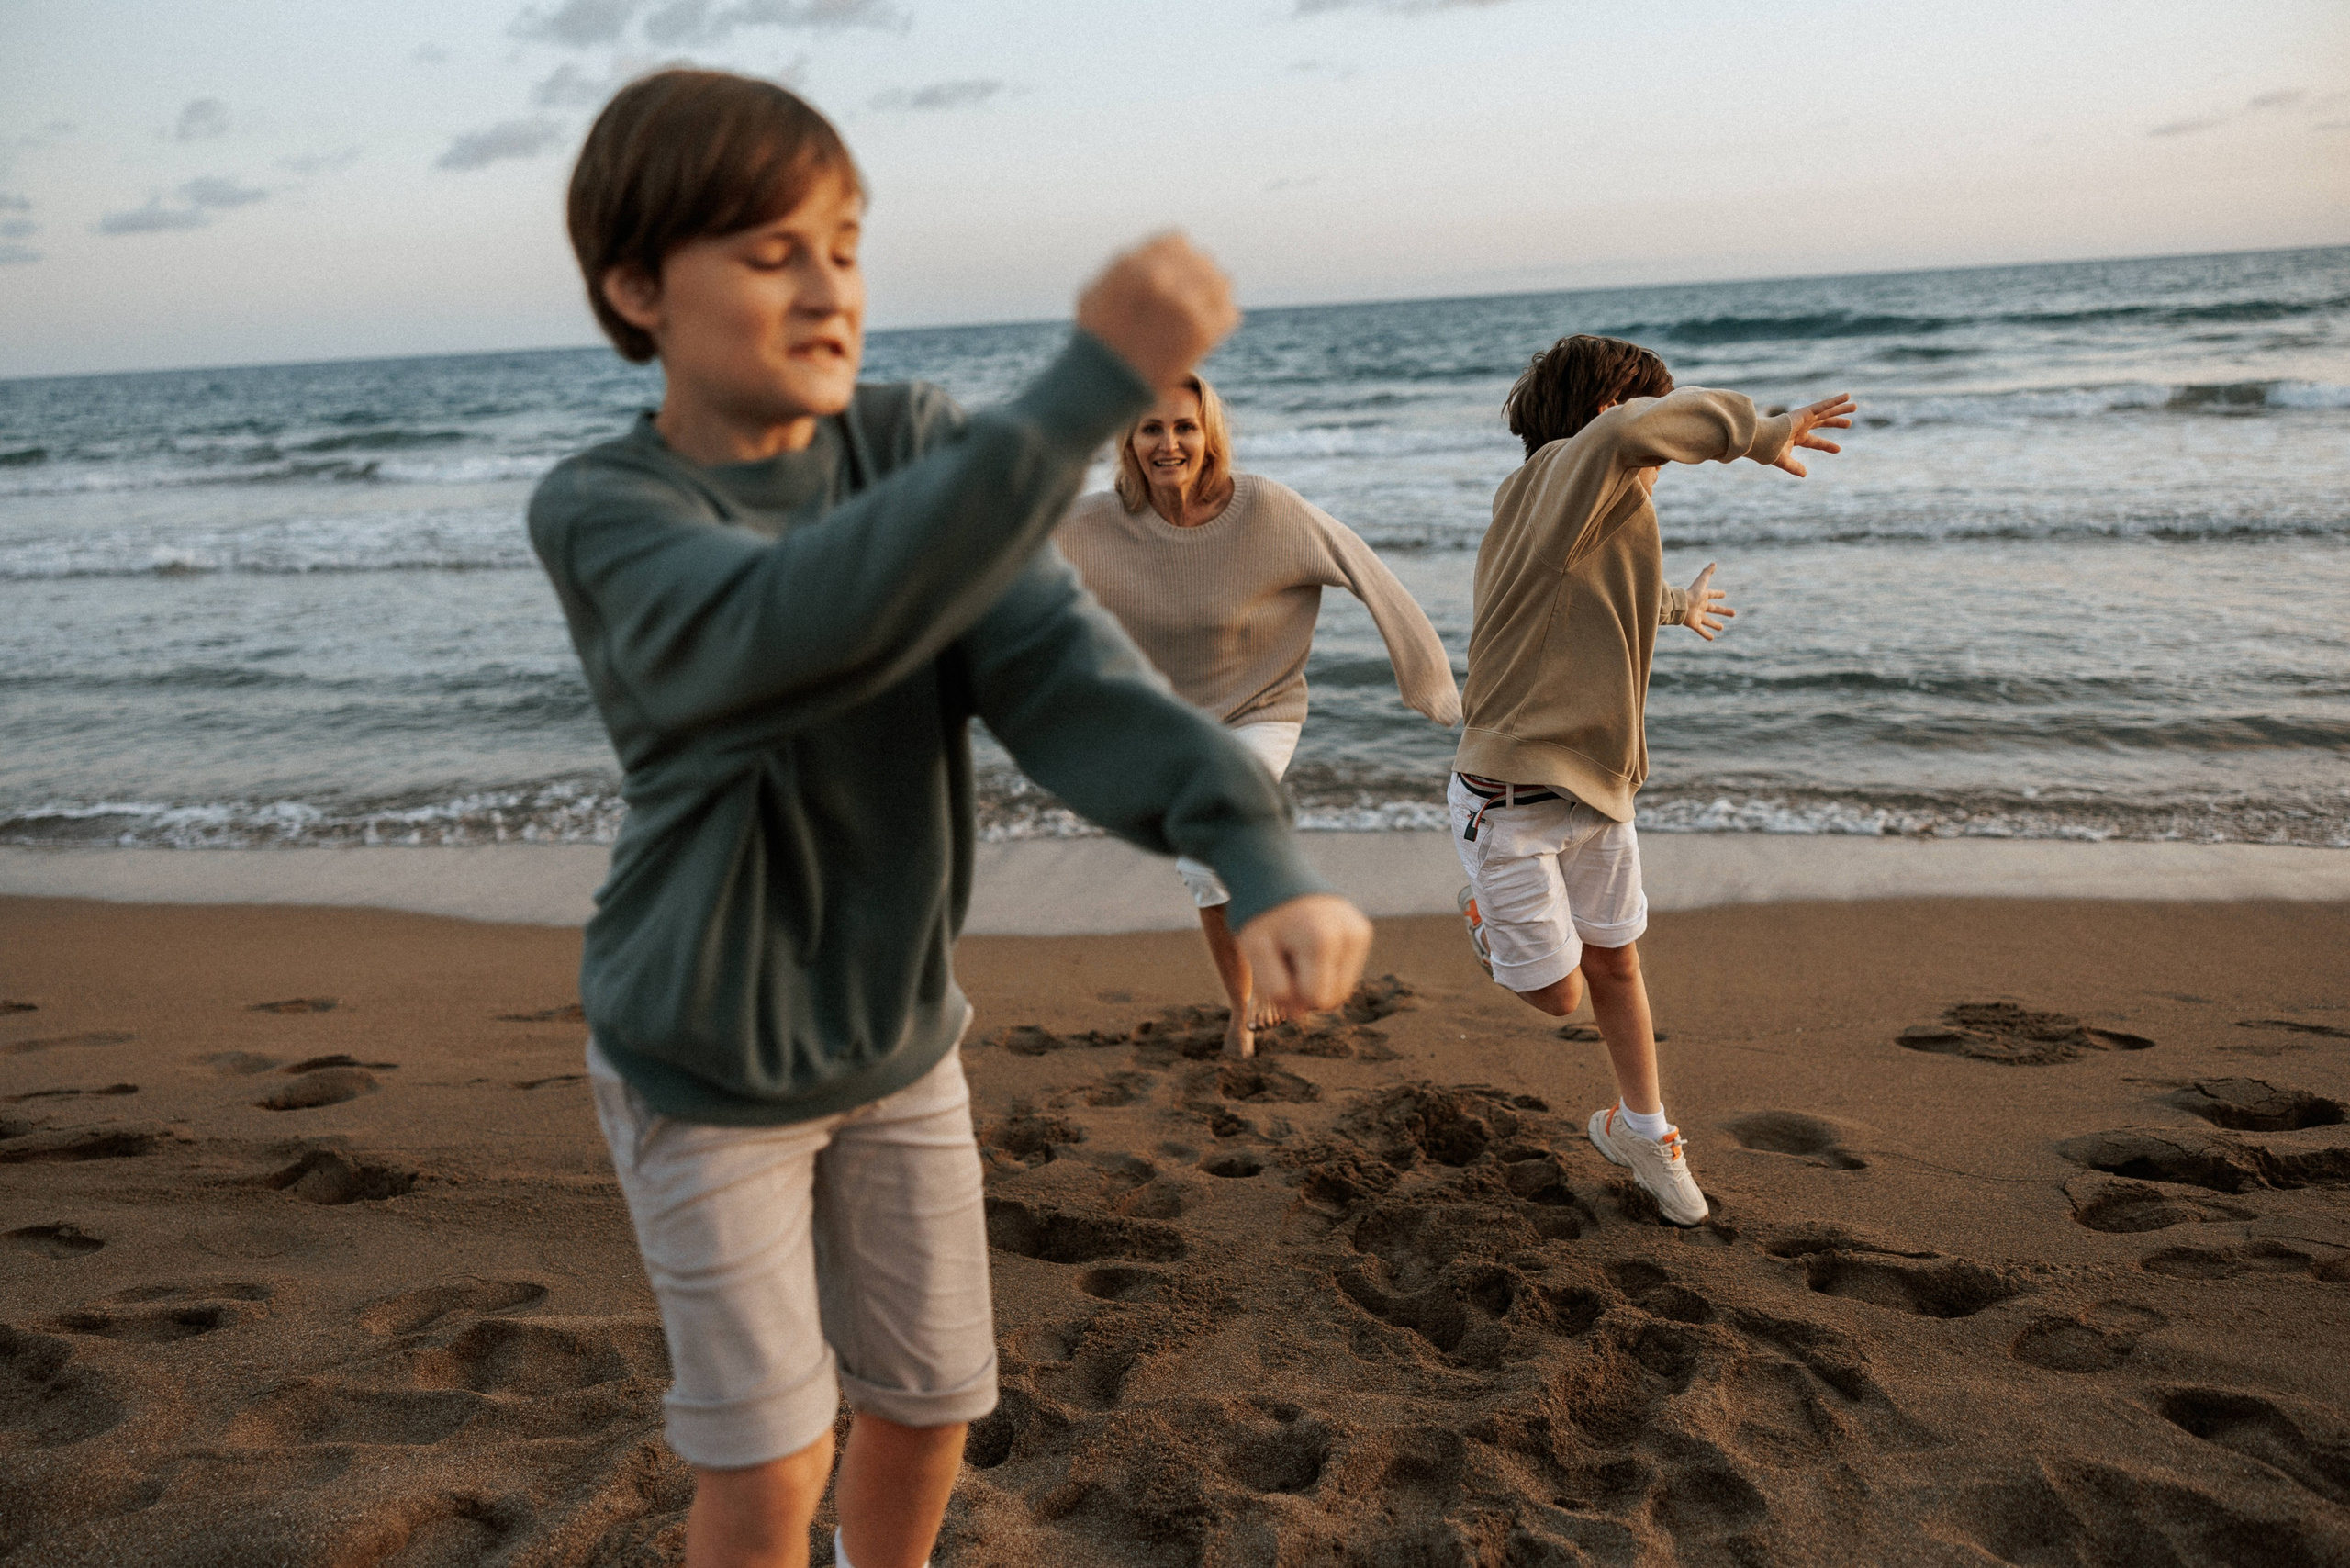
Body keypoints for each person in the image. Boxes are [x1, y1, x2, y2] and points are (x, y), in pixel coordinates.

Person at [531, 71, 1372, 1568]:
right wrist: (1082, 391)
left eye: (846, 247)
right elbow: (794, 618)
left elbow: (1064, 678)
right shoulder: (605, 510)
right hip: (701, 1056)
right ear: (638, 287)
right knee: (772, 1456)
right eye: (772, 252)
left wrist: (1253, 852)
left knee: (930, 1406)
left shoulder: (921, 445)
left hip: (899, 1034)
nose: (827, 288)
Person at [1451, 333, 1853, 1226]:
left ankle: (1645, 1131)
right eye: (1647, 410)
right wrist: (1761, 431)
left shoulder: (1576, 507)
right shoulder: (1560, 470)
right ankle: (1481, 911)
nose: (1660, 440)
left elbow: (1583, 595)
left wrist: (1674, 604)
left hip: (1599, 790)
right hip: (1508, 799)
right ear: (1607, 413)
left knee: (1617, 963)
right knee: (1557, 995)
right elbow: (1628, 433)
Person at [1059, 375, 1460, 1058]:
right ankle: (1241, 1001)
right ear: (1129, 439)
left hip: (1261, 707)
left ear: (1209, 435)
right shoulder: (1094, 525)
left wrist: (1428, 682)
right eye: (1151, 428)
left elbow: (1363, 568)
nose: (1168, 443)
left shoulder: (1266, 510)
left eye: (1184, 427)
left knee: (1205, 850)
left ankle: (1266, 961)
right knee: (1205, 866)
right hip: (1169, 727)